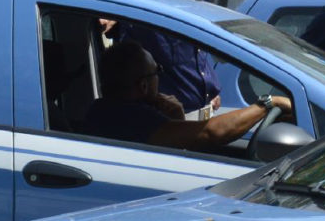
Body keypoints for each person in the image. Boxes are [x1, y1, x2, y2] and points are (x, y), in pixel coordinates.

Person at [83, 41, 289, 151]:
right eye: (158, 71)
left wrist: (175, 119)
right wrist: (269, 102)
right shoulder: (133, 118)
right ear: (144, 85)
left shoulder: (101, 110)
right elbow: (213, 133)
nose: (159, 77)